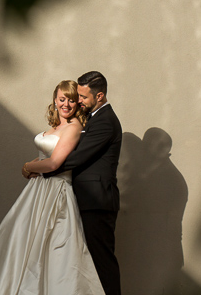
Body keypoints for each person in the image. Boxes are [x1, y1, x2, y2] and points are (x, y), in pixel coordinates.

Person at [0, 81, 105, 295]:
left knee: (51, 250)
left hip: (56, 190)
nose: (66, 104)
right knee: (21, 241)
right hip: (37, 189)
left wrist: (28, 166)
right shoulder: (56, 127)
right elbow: (47, 156)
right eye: (61, 99)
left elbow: (54, 164)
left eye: (71, 100)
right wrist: (34, 164)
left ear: (77, 103)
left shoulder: (74, 127)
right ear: (55, 100)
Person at [40, 71, 122, 295]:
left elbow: (79, 156)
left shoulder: (106, 121)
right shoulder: (93, 118)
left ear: (100, 96)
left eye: (83, 97)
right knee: (88, 264)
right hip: (85, 199)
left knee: (102, 262)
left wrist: (47, 168)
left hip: (97, 202)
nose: (79, 101)